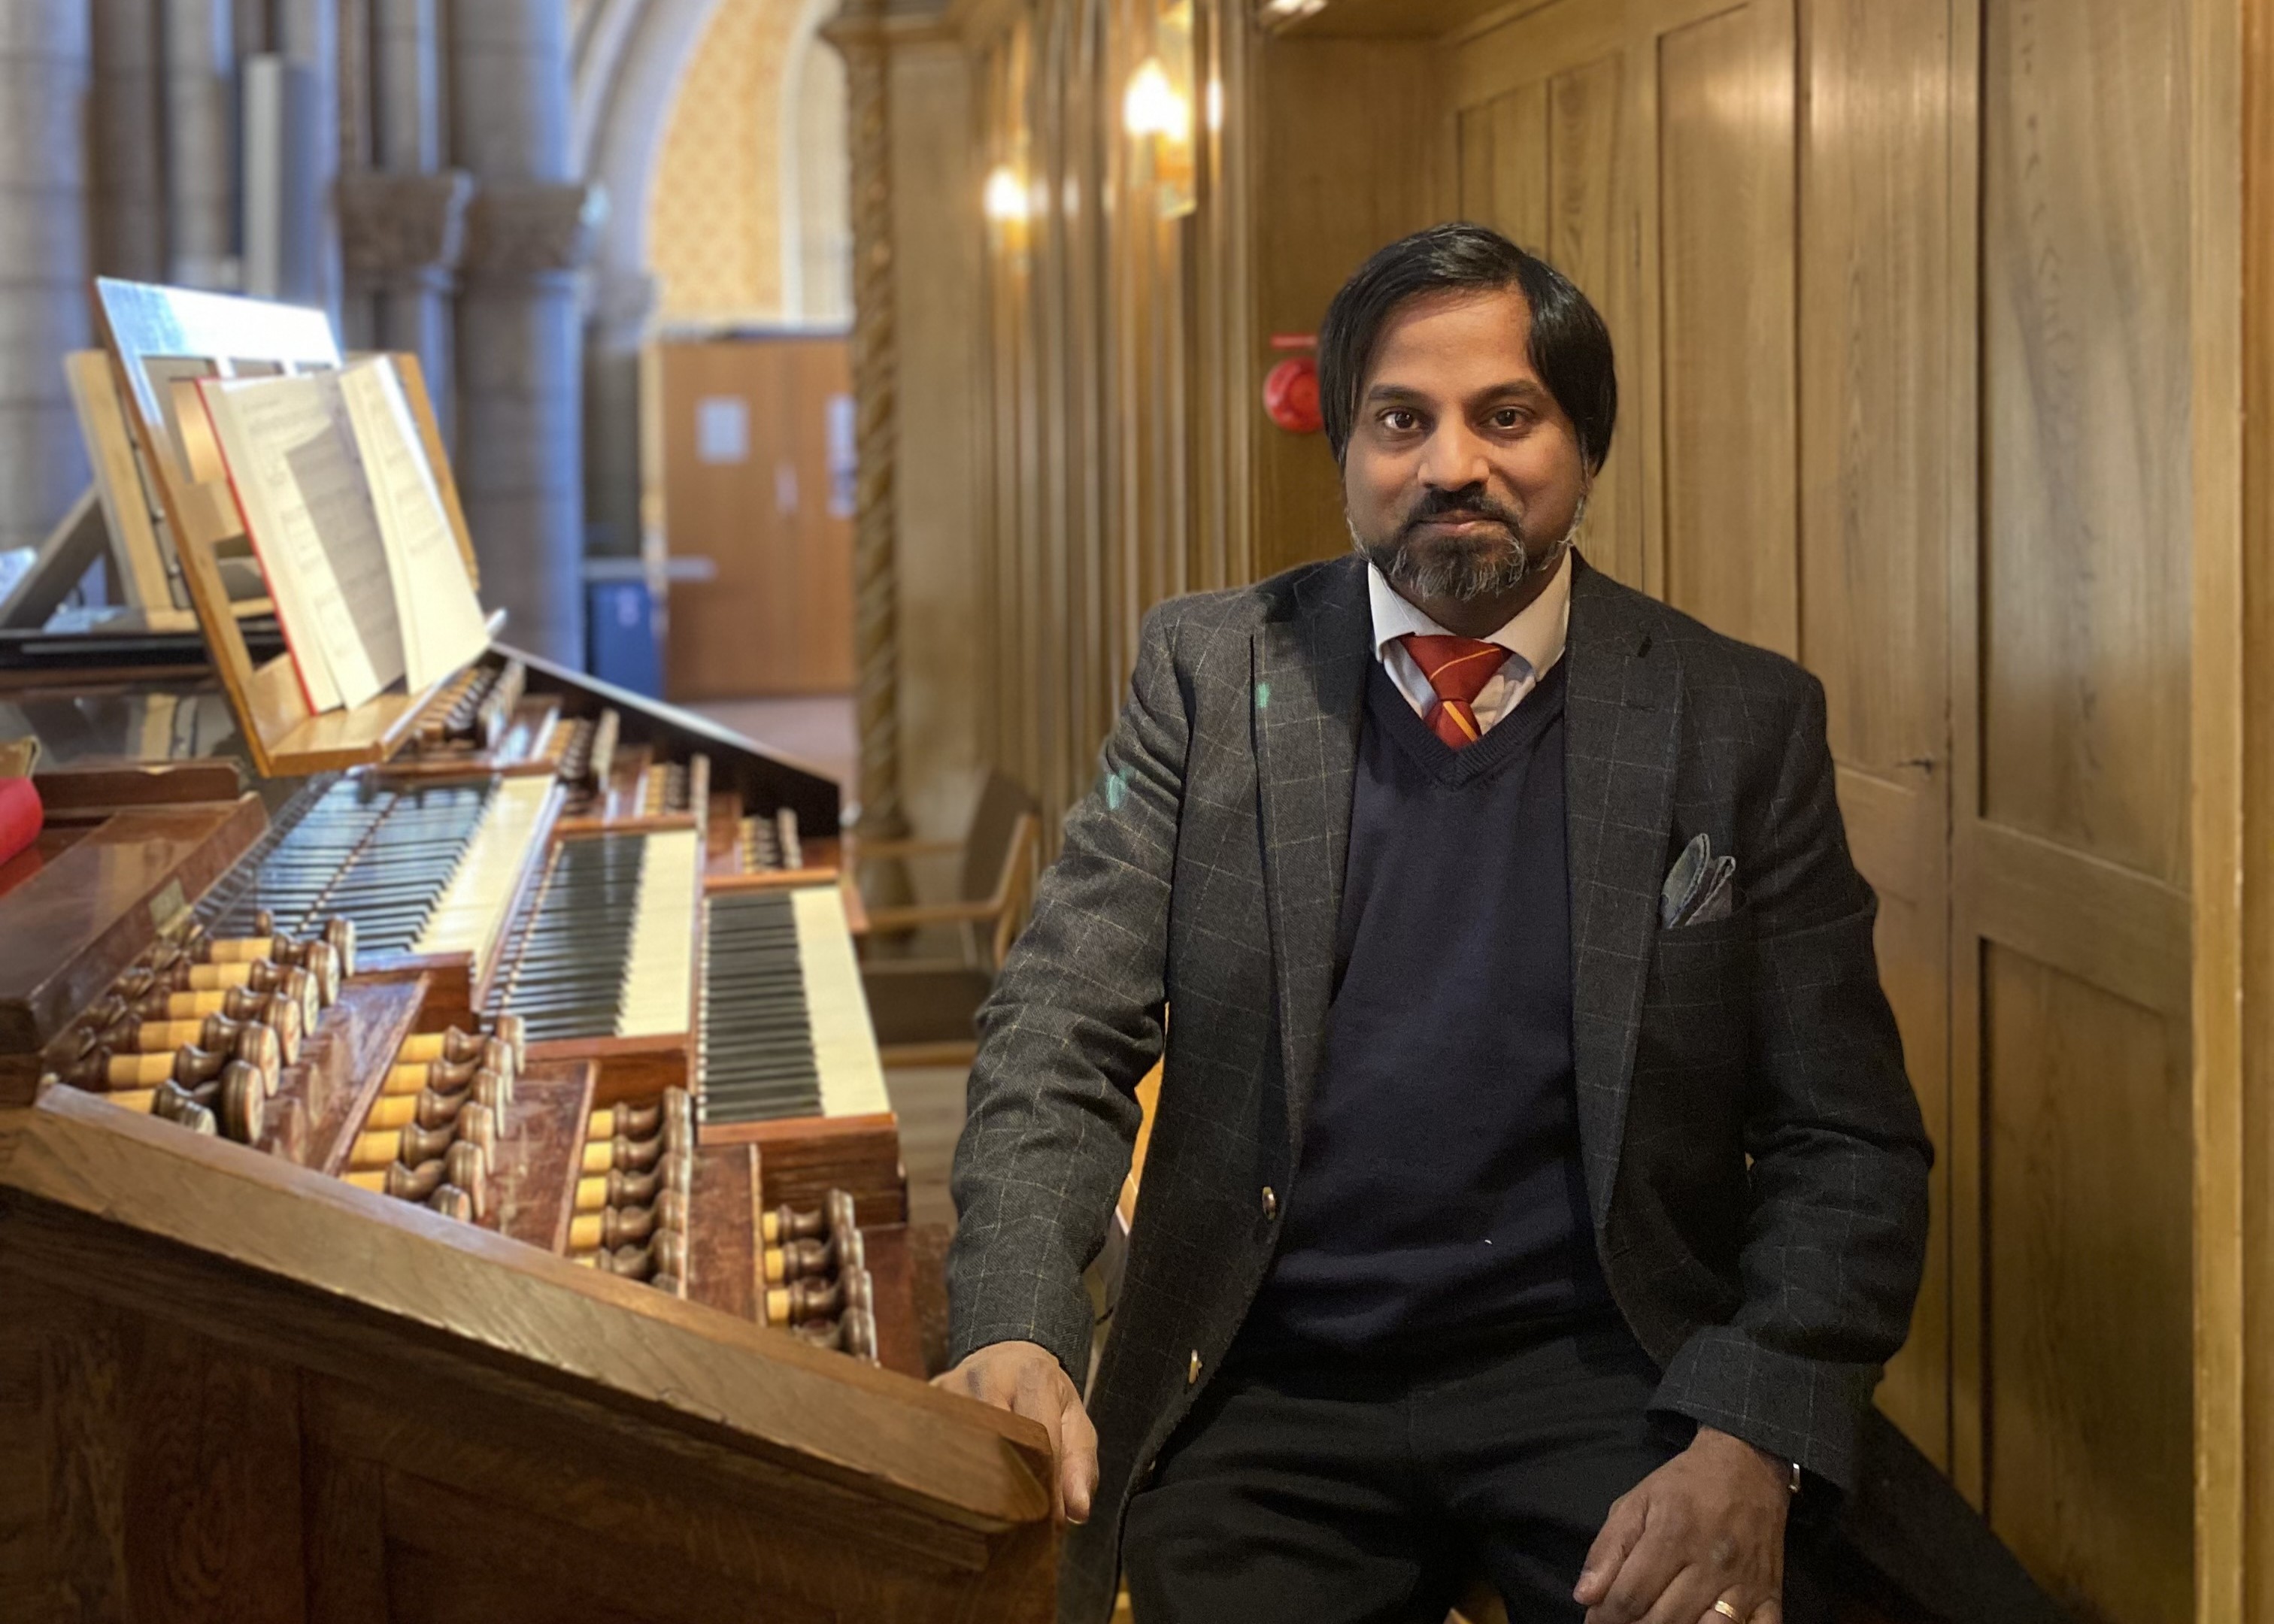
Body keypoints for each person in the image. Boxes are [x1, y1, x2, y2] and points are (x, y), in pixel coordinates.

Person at [938, 222, 1932, 1624]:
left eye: (1506, 416)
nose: (1451, 464)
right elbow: (1057, 1025)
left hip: (1608, 1376)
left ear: (1585, 445)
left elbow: (1850, 1141)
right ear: (1347, 447)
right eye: (1402, 419)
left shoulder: (1737, 721)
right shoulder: (1211, 678)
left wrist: (1751, 1433)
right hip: (1265, 1375)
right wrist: (1015, 1322)